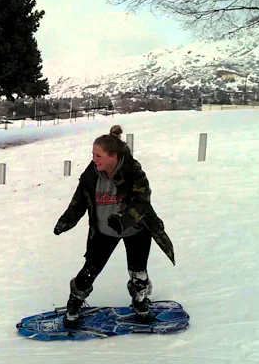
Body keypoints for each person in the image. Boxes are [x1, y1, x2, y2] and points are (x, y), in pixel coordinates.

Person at [53, 124, 176, 329]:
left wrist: (124, 220)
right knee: (89, 271)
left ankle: (139, 302)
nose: (94, 159)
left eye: (98, 155)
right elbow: (79, 201)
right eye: (93, 154)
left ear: (113, 156)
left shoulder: (133, 171)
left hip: (136, 229)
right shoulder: (91, 175)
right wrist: (66, 221)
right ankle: (74, 304)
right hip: (104, 230)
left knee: (138, 273)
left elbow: (142, 201)